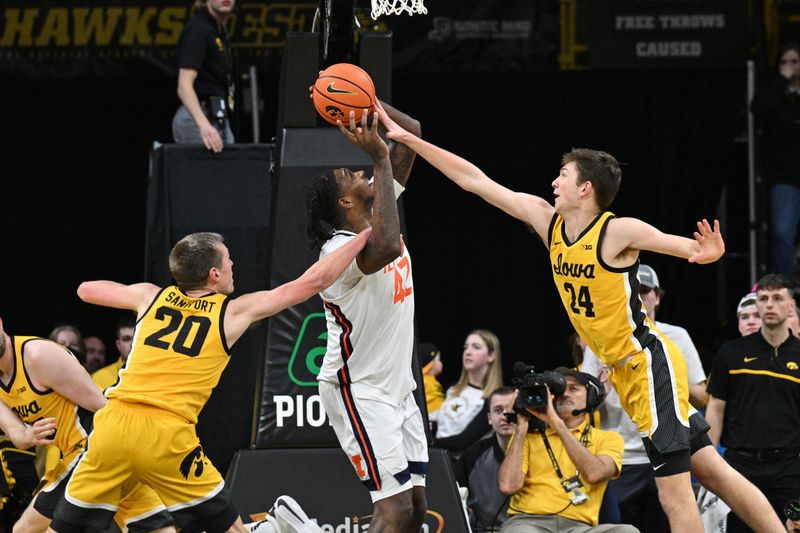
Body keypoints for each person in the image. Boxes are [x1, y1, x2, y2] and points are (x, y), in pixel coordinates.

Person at [376, 119, 784, 532]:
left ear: (586, 188)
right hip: (619, 371)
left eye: (563, 175)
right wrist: (412, 141)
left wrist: (709, 252)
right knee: (712, 471)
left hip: (645, 367)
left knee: (673, 495)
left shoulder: (618, 231)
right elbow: (475, 181)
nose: (554, 182)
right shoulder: (548, 222)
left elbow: (689, 248)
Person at [48, 228, 371, 533]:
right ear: (214, 274)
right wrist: (364, 237)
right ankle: (271, 527)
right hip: (167, 435)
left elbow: (85, 290)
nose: (233, 265)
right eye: (227, 260)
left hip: (113, 427)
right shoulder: (230, 313)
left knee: (64, 527)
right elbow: (310, 283)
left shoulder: (150, 297)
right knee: (230, 528)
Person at [306, 102, 427, 533]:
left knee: (415, 508)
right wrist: (378, 156)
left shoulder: (378, 214)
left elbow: (410, 133)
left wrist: (368, 100)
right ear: (345, 201)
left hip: (397, 389)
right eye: (351, 176)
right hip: (360, 390)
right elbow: (388, 248)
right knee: (392, 512)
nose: (360, 172)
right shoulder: (336, 250)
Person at [0, 320, 176, 533]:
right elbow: (16, 435)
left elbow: (102, 405)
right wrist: (29, 435)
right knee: (161, 528)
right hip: (79, 453)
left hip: (94, 445)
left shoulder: (38, 355)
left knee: (27, 529)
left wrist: (144, 443)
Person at [706, 273, 800, 532]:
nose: (769, 305)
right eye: (763, 299)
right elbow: (715, 407)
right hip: (740, 465)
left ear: (791, 306)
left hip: (789, 467)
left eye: (778, 298)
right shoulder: (731, 353)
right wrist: (709, 460)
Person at [497, 368, 634, 533]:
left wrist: (556, 423)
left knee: (627, 531)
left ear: (591, 397)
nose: (565, 394)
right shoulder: (527, 435)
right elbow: (508, 486)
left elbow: (595, 474)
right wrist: (521, 428)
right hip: (528, 522)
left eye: (573, 388)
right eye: (559, 390)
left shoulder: (608, 439)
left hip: (580, 527)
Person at [750, 43, 800, 280]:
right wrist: (782, 81)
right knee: (782, 234)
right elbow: (758, 107)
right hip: (785, 175)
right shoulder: (774, 93)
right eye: (784, 62)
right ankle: (784, 286)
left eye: (795, 62)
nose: (790, 67)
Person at [172, 0, 235, 153]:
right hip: (198, 119)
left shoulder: (217, 30)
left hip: (217, 119)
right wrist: (204, 125)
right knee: (204, 176)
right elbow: (184, 86)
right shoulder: (198, 30)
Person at [431, 330, 504, 454]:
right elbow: (439, 426)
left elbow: (463, 441)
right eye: (466, 347)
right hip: (433, 456)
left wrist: (428, 442)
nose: (468, 352)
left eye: (476, 347)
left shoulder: (492, 399)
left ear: (491, 356)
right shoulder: (453, 389)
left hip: (455, 464)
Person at [455, 386, 515, 531]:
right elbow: (455, 496)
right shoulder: (473, 455)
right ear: (489, 418)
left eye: (512, 410)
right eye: (498, 410)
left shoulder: (538, 449)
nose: (505, 416)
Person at [91, 315, 134, 391]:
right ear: (118, 345)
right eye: (127, 339)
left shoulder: (155, 372)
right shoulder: (99, 378)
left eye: (136, 338)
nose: (132, 343)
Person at [418, 342, 444, 415]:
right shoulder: (426, 382)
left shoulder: (428, 380)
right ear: (430, 364)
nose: (441, 363)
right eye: (438, 360)